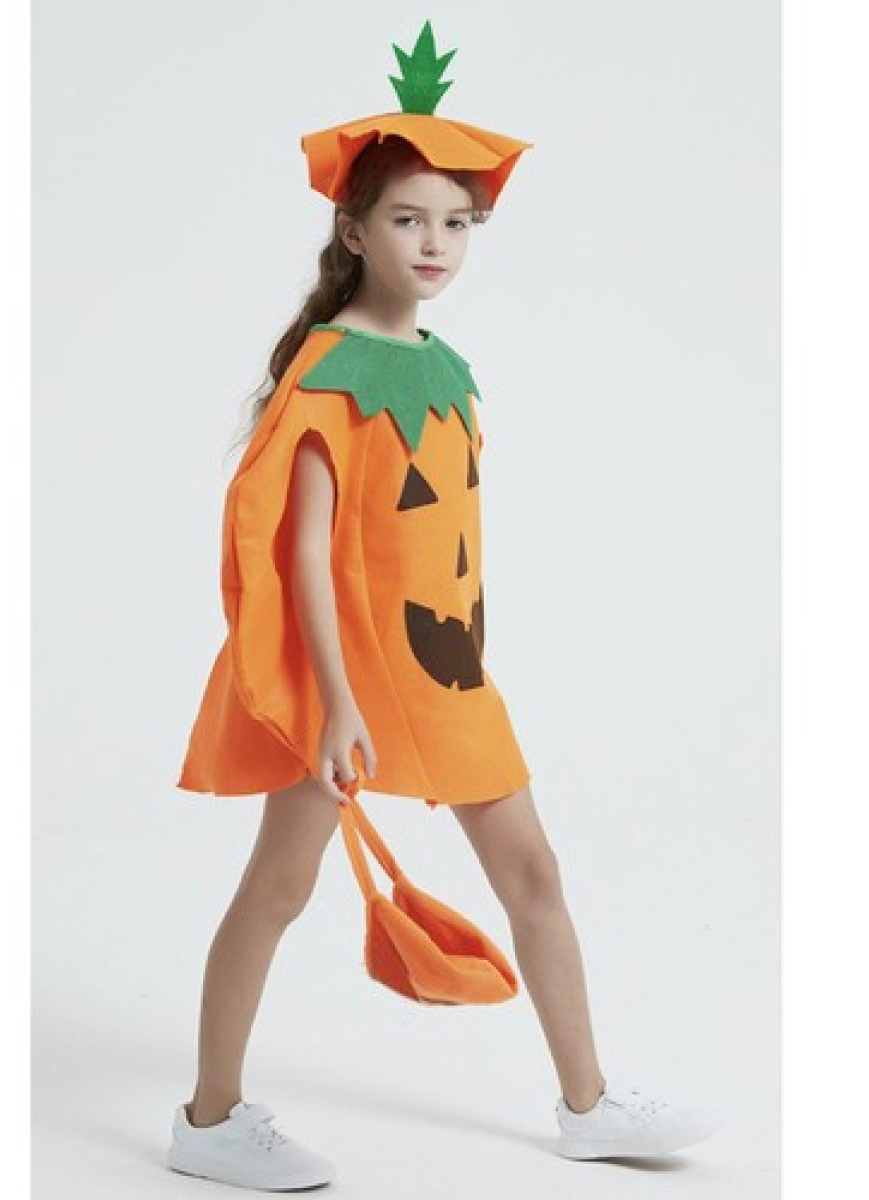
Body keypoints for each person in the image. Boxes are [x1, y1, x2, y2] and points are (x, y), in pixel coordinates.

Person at [167, 21, 716, 1191]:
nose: (435, 243)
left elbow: (450, 541)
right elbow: (304, 554)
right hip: (344, 678)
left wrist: (469, 658)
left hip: (447, 673)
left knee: (535, 874)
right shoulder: (329, 374)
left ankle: (588, 1102)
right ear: (354, 231)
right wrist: (335, 705)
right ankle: (209, 1118)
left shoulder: (448, 369)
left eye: (457, 223)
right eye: (409, 219)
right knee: (281, 886)